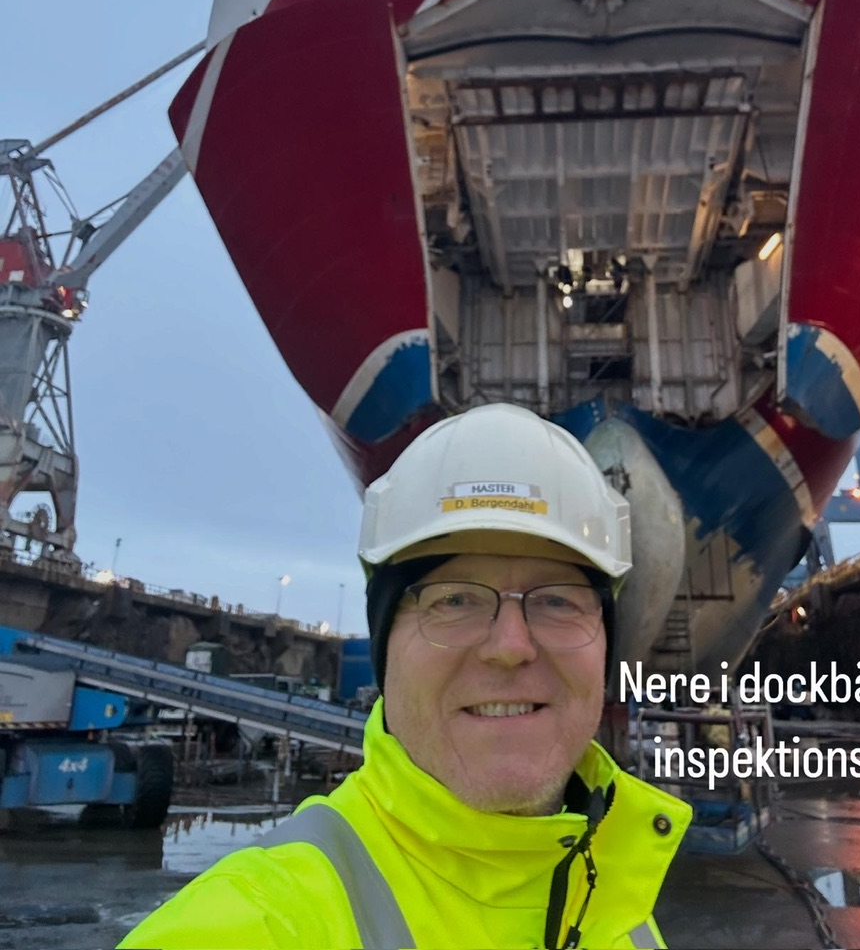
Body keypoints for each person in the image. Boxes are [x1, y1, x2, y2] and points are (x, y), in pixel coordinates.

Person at [120, 404, 690, 949]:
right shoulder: (264, 919)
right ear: (386, 646)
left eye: (558, 601)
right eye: (455, 600)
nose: (511, 647)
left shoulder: (621, 908)